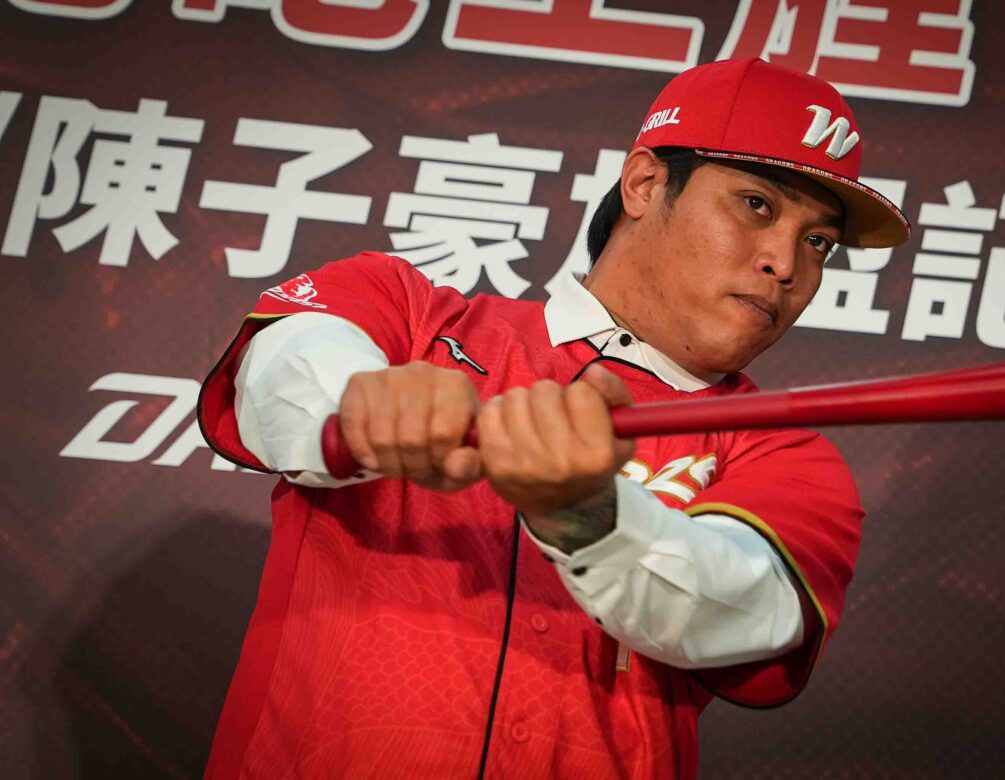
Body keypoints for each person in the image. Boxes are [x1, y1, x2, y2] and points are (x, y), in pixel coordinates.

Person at [198, 58, 910, 779]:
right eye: (756, 205)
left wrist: (588, 513)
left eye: (817, 242)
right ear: (645, 184)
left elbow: (736, 607)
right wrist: (362, 405)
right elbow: (283, 373)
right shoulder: (408, 316)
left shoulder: (788, 457)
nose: (786, 263)